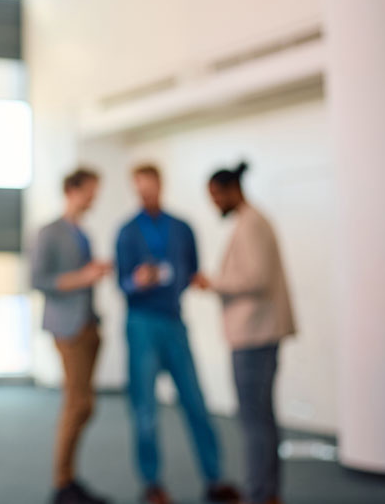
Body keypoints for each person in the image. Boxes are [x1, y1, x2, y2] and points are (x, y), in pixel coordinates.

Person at [115, 164, 240, 504]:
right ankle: (152, 483)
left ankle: (215, 479)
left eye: (150, 187)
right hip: (141, 323)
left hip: (174, 322)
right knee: (145, 410)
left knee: (196, 402)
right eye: (139, 188)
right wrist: (137, 281)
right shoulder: (127, 232)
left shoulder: (182, 229)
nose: (146, 193)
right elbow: (121, 283)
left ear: (161, 185)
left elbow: (191, 271)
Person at [194, 163, 296, 504]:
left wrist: (212, 283)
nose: (214, 204)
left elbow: (256, 278)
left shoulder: (251, 224)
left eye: (215, 196)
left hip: (254, 335)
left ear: (230, 190)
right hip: (259, 334)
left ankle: (257, 494)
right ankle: (268, 493)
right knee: (262, 420)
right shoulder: (253, 220)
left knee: (254, 422)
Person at [31, 168, 113, 504]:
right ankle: (62, 484)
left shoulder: (83, 232)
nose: (95, 197)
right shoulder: (50, 231)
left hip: (88, 323)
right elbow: (39, 280)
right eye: (92, 190)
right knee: (77, 403)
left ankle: (68, 478)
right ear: (73, 190)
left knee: (84, 405)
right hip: (67, 326)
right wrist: (84, 277)